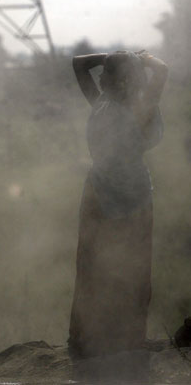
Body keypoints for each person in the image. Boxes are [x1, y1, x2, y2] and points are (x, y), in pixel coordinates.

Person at [68, 51, 168, 359]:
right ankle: (129, 338)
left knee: (92, 264)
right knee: (134, 265)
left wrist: (114, 56)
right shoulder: (141, 108)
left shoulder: (100, 104)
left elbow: (79, 63)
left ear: (118, 79)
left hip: (98, 191)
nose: (100, 75)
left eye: (107, 72)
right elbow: (162, 69)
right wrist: (138, 57)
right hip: (134, 194)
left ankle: (85, 338)